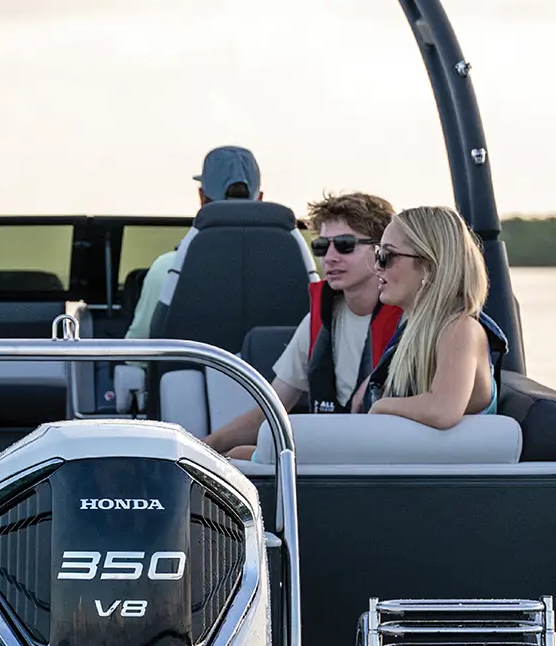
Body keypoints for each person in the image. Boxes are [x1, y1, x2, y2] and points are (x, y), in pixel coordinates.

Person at [203, 191, 401, 455]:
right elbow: (271, 411)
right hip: (332, 453)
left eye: (344, 244)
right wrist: (206, 446)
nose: (329, 257)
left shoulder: (409, 320)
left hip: (385, 454)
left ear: (381, 252)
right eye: (321, 246)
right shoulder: (317, 322)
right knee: (235, 454)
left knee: (241, 455)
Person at [125, 146, 316, 339]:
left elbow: (139, 350)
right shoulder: (296, 270)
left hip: (192, 369)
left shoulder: (166, 269)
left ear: (202, 197)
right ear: (259, 198)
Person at [353, 205, 508, 427]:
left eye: (387, 255)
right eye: (378, 254)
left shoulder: (460, 329)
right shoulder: (416, 329)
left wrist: (380, 405)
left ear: (429, 267)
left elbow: (443, 410)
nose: (377, 267)